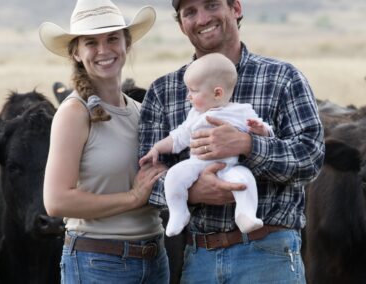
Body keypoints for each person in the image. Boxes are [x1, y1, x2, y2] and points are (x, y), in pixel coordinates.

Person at [139, 0, 325, 283]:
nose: (202, 19)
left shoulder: (283, 78)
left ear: (236, 8)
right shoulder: (164, 92)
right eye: (189, 12)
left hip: (268, 253)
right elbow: (146, 175)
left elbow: (310, 159)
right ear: (181, 24)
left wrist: (247, 145)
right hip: (199, 257)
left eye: (212, 5)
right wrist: (193, 191)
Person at [39, 0, 169, 283]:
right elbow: (56, 200)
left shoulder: (139, 111)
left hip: (155, 259)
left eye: (112, 38)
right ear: (76, 52)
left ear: (127, 43)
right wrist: (133, 198)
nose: (104, 50)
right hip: (99, 261)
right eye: (91, 42)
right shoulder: (75, 113)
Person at [140, 53, 271, 237]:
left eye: (193, 91)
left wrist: (259, 130)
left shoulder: (241, 111)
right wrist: (156, 148)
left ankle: (245, 214)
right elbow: (178, 138)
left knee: (245, 179)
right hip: (196, 165)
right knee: (174, 176)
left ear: (217, 93)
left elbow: (262, 128)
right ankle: (178, 212)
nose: (188, 97)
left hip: (229, 166)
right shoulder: (195, 115)